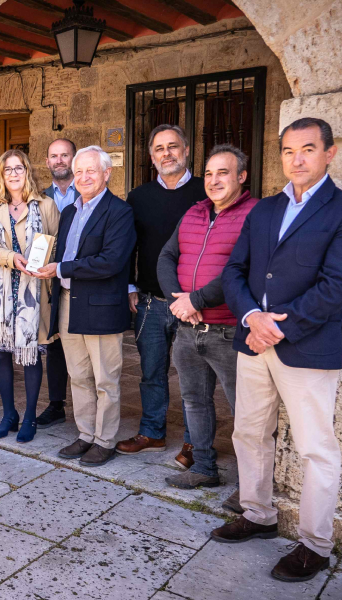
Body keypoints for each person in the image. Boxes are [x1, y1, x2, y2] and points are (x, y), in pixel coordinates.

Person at [212, 118, 342, 583]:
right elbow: (234, 271)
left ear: (329, 153)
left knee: (315, 448)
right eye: (288, 151)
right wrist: (250, 317)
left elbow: (335, 286)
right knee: (249, 433)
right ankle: (258, 514)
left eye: (307, 149)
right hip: (252, 340)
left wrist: (275, 329)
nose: (296, 159)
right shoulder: (264, 209)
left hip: (306, 345)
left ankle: (316, 544)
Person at [157, 144, 257, 495]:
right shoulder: (194, 212)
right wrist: (179, 302)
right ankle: (203, 467)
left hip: (229, 330)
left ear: (242, 176)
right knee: (194, 401)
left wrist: (197, 299)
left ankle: (252, 486)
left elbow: (242, 269)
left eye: (223, 173)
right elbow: (167, 256)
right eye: (209, 173)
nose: (214, 180)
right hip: (188, 329)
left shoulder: (255, 215)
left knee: (245, 409)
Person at [36, 146, 135, 467]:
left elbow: (111, 261)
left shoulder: (119, 212)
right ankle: (85, 434)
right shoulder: (69, 212)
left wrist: (61, 269)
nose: (84, 177)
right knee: (78, 375)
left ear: (107, 173)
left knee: (105, 379)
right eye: (79, 171)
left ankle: (104, 440)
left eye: (91, 170)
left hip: (102, 306)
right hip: (69, 302)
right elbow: (62, 253)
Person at [120, 124, 203, 468]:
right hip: (151, 301)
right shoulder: (139, 197)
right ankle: (152, 432)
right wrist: (130, 286)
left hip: (193, 304)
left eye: (173, 146)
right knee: (151, 373)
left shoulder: (205, 192)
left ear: (186, 150)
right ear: (151, 156)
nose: (166, 153)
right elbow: (129, 246)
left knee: (194, 378)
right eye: (159, 148)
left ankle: (195, 442)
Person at [0, 149, 59, 443]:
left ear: (27, 171)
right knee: (1, 353)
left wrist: (45, 264)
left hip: (34, 290)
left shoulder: (46, 204)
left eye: (19, 168)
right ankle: (9, 415)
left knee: (31, 355)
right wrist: (10, 257)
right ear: (1, 175)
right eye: (8, 169)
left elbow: (57, 244)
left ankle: (29, 416)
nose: (14, 174)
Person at [38, 138, 77, 429]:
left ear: (74, 159)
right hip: (49, 282)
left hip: (81, 281)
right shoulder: (40, 198)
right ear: (47, 162)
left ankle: (90, 408)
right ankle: (56, 404)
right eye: (54, 156)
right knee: (54, 344)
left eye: (65, 155)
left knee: (83, 345)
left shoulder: (88, 192)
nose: (59, 160)